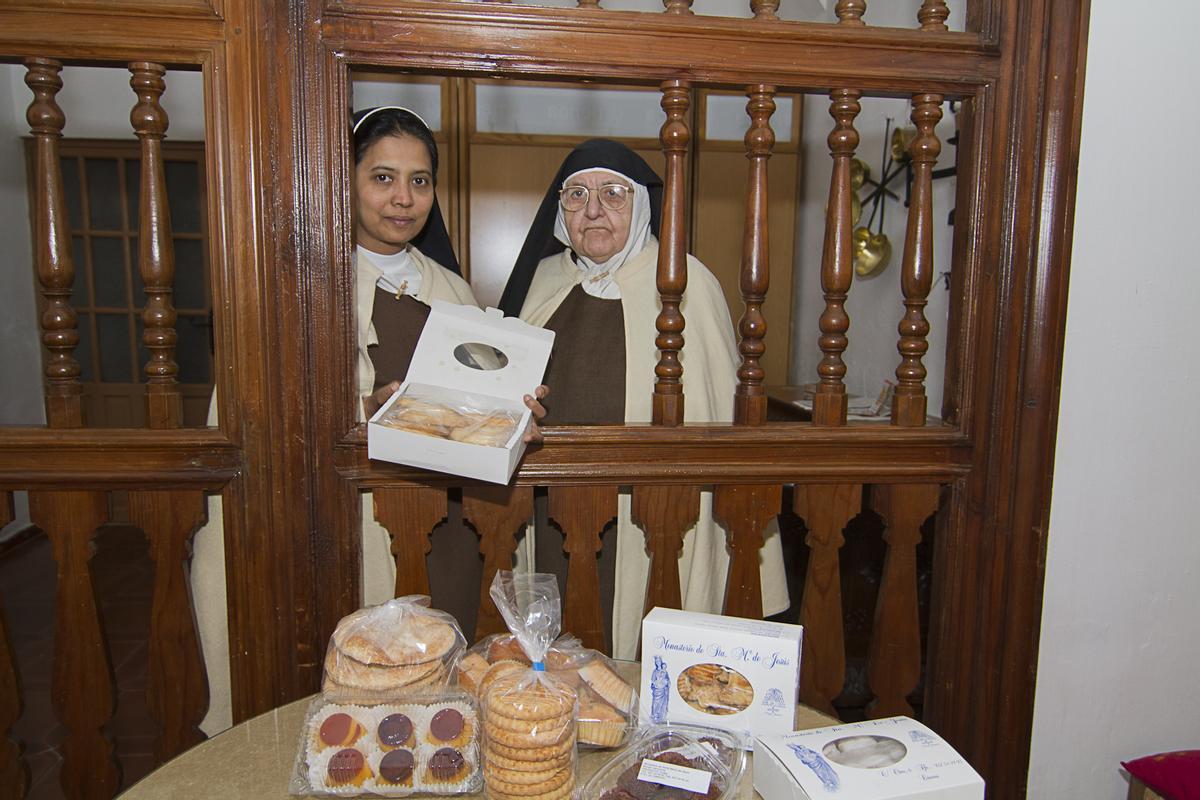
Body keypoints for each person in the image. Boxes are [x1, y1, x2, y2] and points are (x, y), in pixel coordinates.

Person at [191, 107, 545, 735]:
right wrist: (358, 411)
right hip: (345, 525)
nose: (403, 200)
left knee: (437, 701)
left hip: (446, 529)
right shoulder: (298, 285)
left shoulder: (452, 290)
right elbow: (261, 417)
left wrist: (513, 415)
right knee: (356, 703)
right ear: (344, 181)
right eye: (382, 178)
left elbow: (474, 410)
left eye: (419, 181)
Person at [498, 138, 788, 660]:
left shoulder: (686, 284)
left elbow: (717, 415)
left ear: (644, 205)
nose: (593, 210)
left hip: (654, 516)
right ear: (559, 210)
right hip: (551, 508)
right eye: (577, 195)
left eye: (614, 194)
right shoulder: (539, 282)